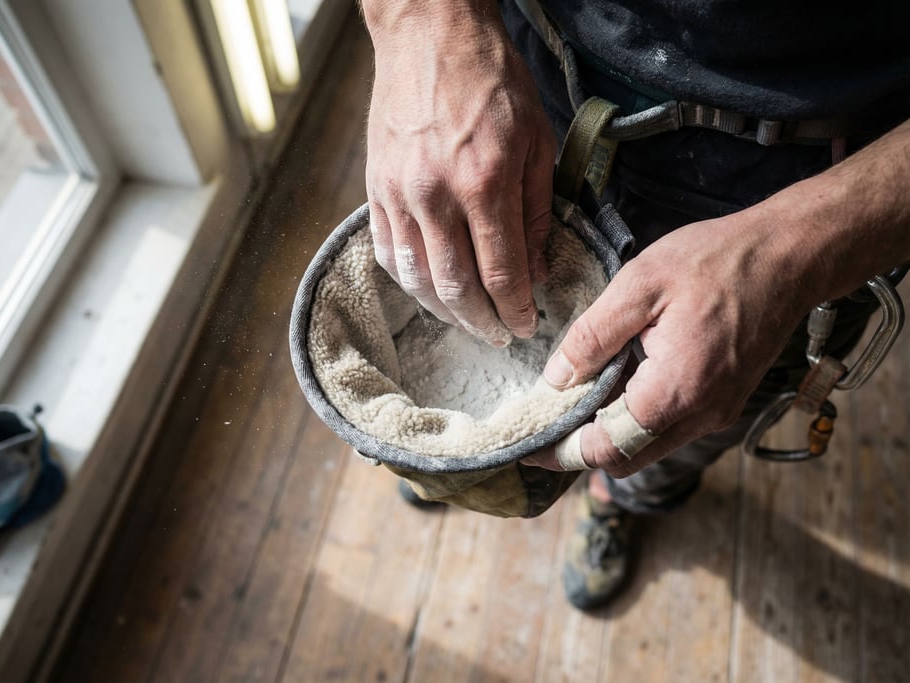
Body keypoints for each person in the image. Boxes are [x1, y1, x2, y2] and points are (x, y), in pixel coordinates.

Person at [359, 0, 910, 609]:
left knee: (664, 428)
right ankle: (473, 465)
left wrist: (791, 253)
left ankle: (620, 500)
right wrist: (424, 24)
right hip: (531, 81)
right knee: (470, 291)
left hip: (805, 181)